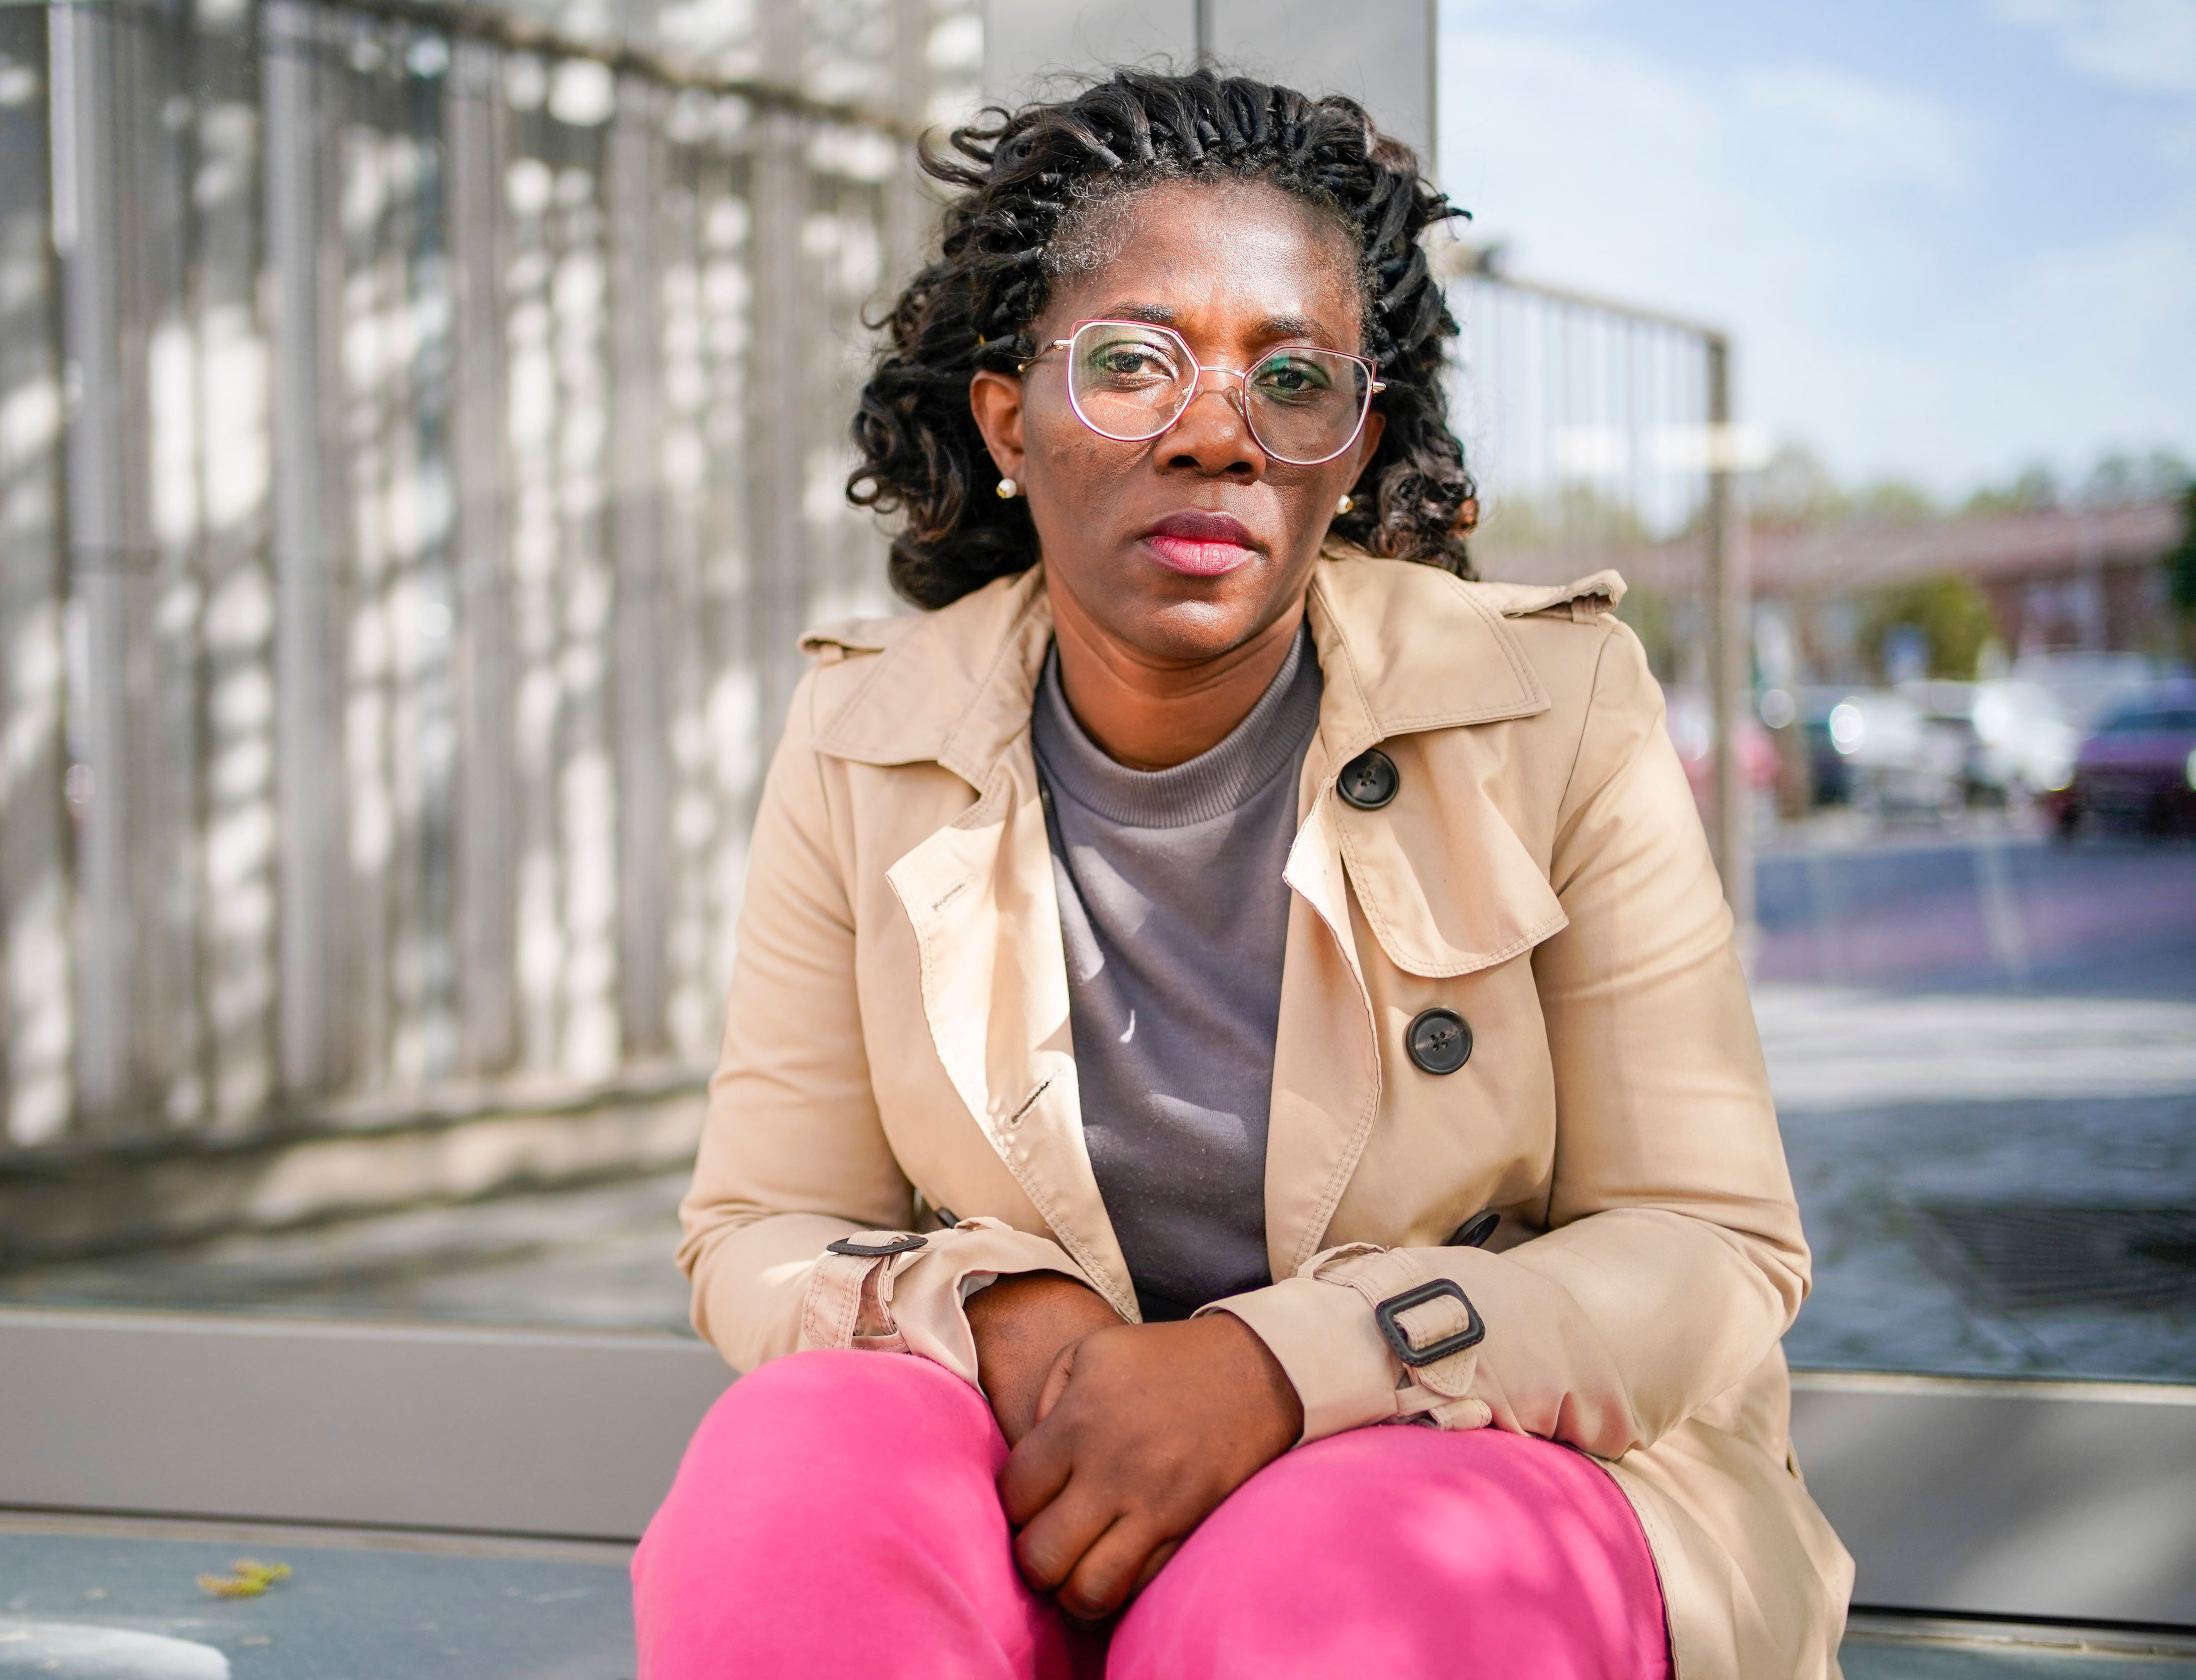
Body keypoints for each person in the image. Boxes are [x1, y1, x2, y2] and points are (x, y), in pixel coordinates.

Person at [633, 68, 1850, 1680]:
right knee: (794, 1478)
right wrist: (985, 1311)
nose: (1217, 433)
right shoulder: (866, 730)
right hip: (1058, 1484)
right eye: (1132, 363)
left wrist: (1285, 1370)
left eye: (1293, 378)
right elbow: (761, 1228)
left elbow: (1708, 1249)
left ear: (1356, 445)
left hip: (1466, 1473)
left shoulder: (1557, 708)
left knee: (1336, 1593)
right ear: (1010, 417)